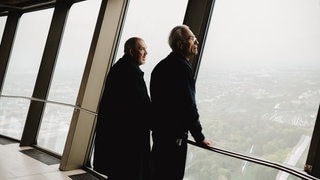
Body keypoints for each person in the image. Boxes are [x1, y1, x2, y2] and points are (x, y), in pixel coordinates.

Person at [150, 25, 212, 180]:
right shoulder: (182, 68)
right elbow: (188, 106)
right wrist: (199, 136)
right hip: (174, 139)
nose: (197, 42)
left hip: (160, 136)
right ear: (180, 44)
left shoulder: (160, 67)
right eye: (192, 39)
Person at [93, 37, 151, 180]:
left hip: (116, 140)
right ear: (132, 51)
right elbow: (143, 106)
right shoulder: (132, 73)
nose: (146, 53)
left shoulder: (119, 67)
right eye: (142, 49)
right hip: (129, 141)